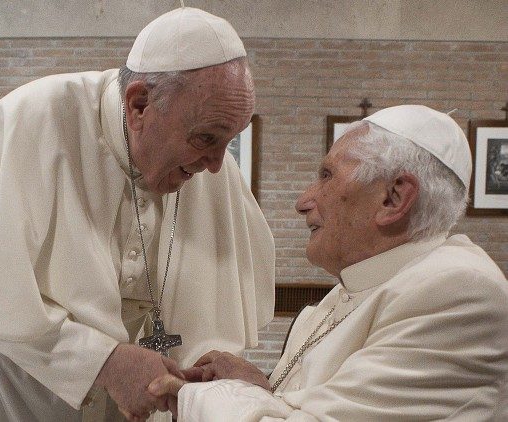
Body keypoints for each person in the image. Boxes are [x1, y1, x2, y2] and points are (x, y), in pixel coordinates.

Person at [0, 7, 275, 422]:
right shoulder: (31, 119)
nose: (215, 165)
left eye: (228, 141)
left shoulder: (213, 171)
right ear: (139, 105)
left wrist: (209, 367)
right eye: (206, 138)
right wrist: (104, 361)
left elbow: (213, 318)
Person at [149, 105, 508, 420]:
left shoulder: (456, 293)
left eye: (327, 176)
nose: (303, 201)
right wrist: (260, 387)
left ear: (394, 197)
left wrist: (191, 396)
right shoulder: (355, 287)